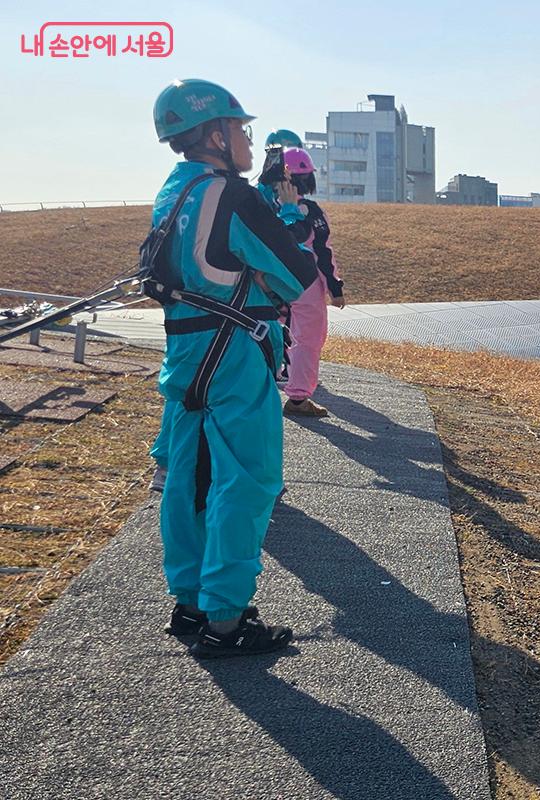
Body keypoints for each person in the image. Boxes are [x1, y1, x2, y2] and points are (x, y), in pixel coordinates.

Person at [151, 79, 317, 657]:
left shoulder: (174, 189)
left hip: (184, 349)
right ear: (216, 135)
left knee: (189, 475)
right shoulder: (234, 195)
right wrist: (288, 212)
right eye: (241, 130)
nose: (248, 141)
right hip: (235, 353)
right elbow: (295, 274)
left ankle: (191, 602)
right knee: (246, 480)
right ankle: (227, 620)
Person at [279, 146, 345, 417]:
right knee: (308, 339)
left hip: (269, 282)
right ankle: (298, 399)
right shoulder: (311, 211)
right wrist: (335, 288)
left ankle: (276, 377)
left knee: (274, 331)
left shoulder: (265, 206)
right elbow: (322, 252)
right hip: (305, 283)